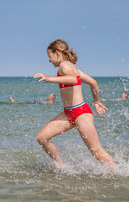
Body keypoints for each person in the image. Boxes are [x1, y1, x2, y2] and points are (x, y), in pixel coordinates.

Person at [33, 39, 114, 171]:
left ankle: (115, 173)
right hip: (68, 113)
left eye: (50, 56)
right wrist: (96, 101)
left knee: (96, 152)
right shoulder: (72, 67)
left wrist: (48, 78)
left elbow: (72, 79)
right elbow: (93, 82)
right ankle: (59, 165)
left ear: (57, 53)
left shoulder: (64, 66)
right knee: (42, 138)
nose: (49, 60)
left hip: (81, 113)